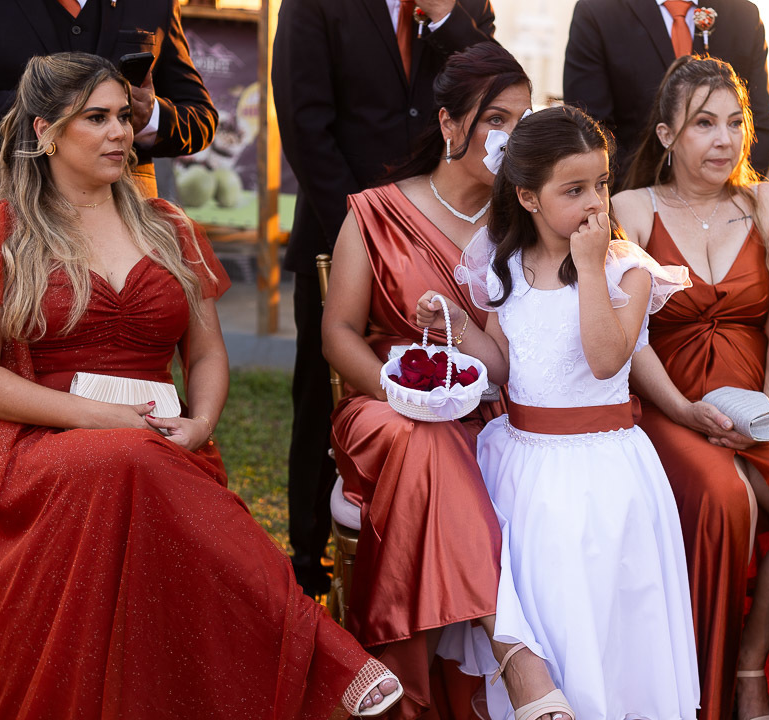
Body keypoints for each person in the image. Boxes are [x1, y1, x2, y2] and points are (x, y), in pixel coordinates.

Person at [0, 52, 398, 719]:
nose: (121, 132)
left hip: (163, 442)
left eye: (124, 116)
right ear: (46, 130)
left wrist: (201, 423)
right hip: (40, 446)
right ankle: (324, 653)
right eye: (97, 118)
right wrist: (99, 418)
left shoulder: (169, 226)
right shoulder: (1, 231)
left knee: (139, 460)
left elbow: (206, 355)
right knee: (128, 458)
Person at [422, 105, 699, 720]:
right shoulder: (506, 266)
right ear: (527, 197)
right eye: (573, 190)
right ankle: (543, 700)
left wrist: (593, 267)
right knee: (546, 604)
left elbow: (606, 359)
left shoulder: (627, 269)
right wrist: (456, 322)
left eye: (601, 183)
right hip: (523, 464)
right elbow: (502, 366)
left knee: (601, 615)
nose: (595, 203)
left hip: (602, 470)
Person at [612, 56, 769, 720]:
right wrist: (684, 412)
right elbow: (630, 341)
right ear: (666, 135)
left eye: (734, 122)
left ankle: (751, 668)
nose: (724, 140)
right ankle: (704, 694)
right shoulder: (631, 210)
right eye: (704, 124)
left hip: (765, 396)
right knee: (725, 501)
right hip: (669, 402)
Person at [321, 42, 534, 719]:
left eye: (522, 121)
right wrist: (401, 392)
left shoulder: (521, 225)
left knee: (446, 448)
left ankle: (398, 688)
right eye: (495, 119)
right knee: (423, 438)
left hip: (489, 408)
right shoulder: (375, 211)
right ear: (448, 123)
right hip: (384, 403)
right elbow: (338, 333)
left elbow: (521, 353)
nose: (510, 137)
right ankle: (506, 658)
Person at [272, 0, 495, 597]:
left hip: (453, 224)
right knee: (318, 395)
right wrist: (369, 228)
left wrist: (446, 18)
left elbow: (494, 81)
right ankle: (307, 560)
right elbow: (303, 122)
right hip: (342, 224)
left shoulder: (465, 6)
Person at [0, 0, 217, 197]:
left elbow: (201, 118)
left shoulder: (158, 4)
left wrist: (148, 116)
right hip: (10, 202)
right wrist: (48, 107)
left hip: (130, 217)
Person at [563, 0, 769, 183]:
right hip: (632, 195)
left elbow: (761, 124)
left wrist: (724, 194)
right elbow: (590, 129)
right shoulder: (598, 11)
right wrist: (647, 201)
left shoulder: (743, 16)